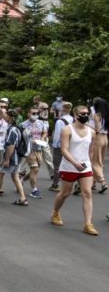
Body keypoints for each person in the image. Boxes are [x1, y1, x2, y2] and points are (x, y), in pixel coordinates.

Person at [52, 106, 98, 235]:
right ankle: (55, 212)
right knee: (65, 193)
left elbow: (91, 151)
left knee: (87, 193)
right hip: (69, 166)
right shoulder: (67, 130)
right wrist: (75, 163)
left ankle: (88, 224)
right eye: (83, 113)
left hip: (85, 167)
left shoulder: (92, 132)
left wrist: (91, 167)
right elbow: (64, 150)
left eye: (87, 113)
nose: (86, 115)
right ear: (75, 114)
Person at [0, 109, 27, 205]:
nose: (4, 117)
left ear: (11, 117)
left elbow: (10, 146)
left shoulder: (12, 130)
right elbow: (4, 115)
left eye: (7, 115)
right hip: (18, 157)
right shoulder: (19, 127)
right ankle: (22, 198)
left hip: (12, 158)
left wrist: (7, 159)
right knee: (15, 176)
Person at [20, 106, 48, 199]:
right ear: (28, 114)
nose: (35, 115)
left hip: (39, 148)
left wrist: (42, 138)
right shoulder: (23, 125)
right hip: (29, 149)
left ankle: (22, 179)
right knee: (35, 169)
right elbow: (21, 138)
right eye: (33, 113)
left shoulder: (41, 123)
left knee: (35, 170)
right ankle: (34, 190)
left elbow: (45, 132)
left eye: (36, 113)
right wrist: (28, 140)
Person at [48, 102, 73, 192]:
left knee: (57, 165)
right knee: (70, 164)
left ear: (62, 109)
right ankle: (75, 183)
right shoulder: (73, 120)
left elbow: (57, 136)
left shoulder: (60, 121)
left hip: (60, 146)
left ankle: (56, 184)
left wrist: (54, 145)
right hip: (71, 145)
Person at [91, 97, 109, 193]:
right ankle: (93, 183)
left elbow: (97, 130)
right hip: (106, 138)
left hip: (98, 138)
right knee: (100, 160)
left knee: (95, 161)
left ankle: (103, 182)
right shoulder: (107, 115)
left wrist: (87, 125)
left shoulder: (97, 115)